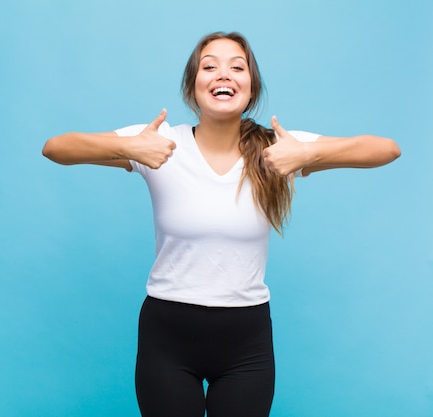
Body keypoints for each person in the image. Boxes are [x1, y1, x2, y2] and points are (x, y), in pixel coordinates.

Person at [42, 31, 400, 417]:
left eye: (237, 66)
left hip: (247, 342)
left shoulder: (278, 149)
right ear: (192, 85)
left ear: (252, 85)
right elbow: (56, 148)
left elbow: (386, 149)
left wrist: (310, 152)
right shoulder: (158, 143)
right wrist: (127, 147)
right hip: (167, 336)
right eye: (209, 66)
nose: (222, 74)